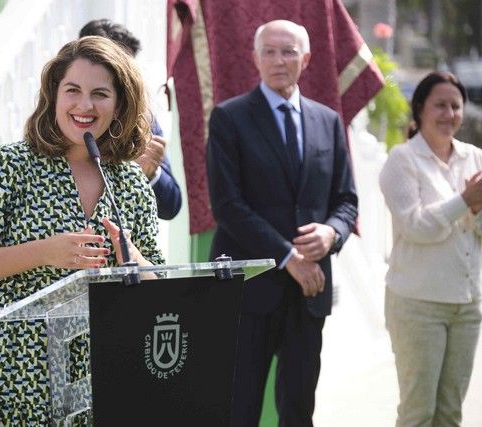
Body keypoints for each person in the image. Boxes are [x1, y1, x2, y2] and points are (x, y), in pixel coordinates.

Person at [0, 36, 164, 424]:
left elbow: (158, 283)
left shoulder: (130, 182)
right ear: (53, 95)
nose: (85, 105)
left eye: (100, 94)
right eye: (72, 90)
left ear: (120, 104)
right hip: (12, 373)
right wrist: (44, 252)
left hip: (100, 376)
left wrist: (134, 257)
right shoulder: (5, 166)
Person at [206, 20, 358, 426]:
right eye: (269, 51)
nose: (278, 60)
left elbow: (346, 201)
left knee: (298, 410)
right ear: (255, 59)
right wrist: (288, 256)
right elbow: (227, 206)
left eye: (288, 51)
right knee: (239, 409)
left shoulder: (328, 121)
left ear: (306, 59)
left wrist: (331, 233)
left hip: (309, 295)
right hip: (249, 288)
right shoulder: (228, 119)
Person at [379, 71, 482, 427]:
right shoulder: (401, 160)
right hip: (417, 305)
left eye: (456, 106)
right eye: (440, 105)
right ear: (420, 109)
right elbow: (416, 226)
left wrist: (474, 212)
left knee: (451, 414)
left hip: (467, 306)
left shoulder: (475, 159)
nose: (449, 114)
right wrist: (465, 202)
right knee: (418, 412)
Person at [79, 18, 182, 220]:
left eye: (129, 71)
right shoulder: (64, 120)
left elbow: (171, 206)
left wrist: (150, 174)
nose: (125, 82)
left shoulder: (143, 120)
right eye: (116, 71)